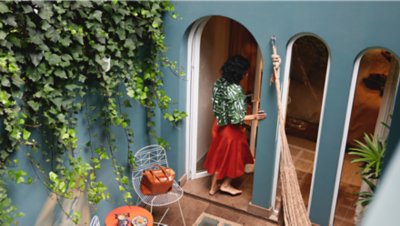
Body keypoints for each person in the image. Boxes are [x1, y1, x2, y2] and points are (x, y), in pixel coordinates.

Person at [203, 55, 266, 196]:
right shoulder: (235, 90)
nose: (247, 74)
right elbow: (236, 118)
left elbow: (221, 107)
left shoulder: (219, 83)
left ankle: (213, 188)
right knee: (237, 158)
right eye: (245, 71)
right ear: (240, 73)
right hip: (232, 132)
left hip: (219, 126)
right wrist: (255, 117)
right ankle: (225, 185)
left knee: (221, 158)